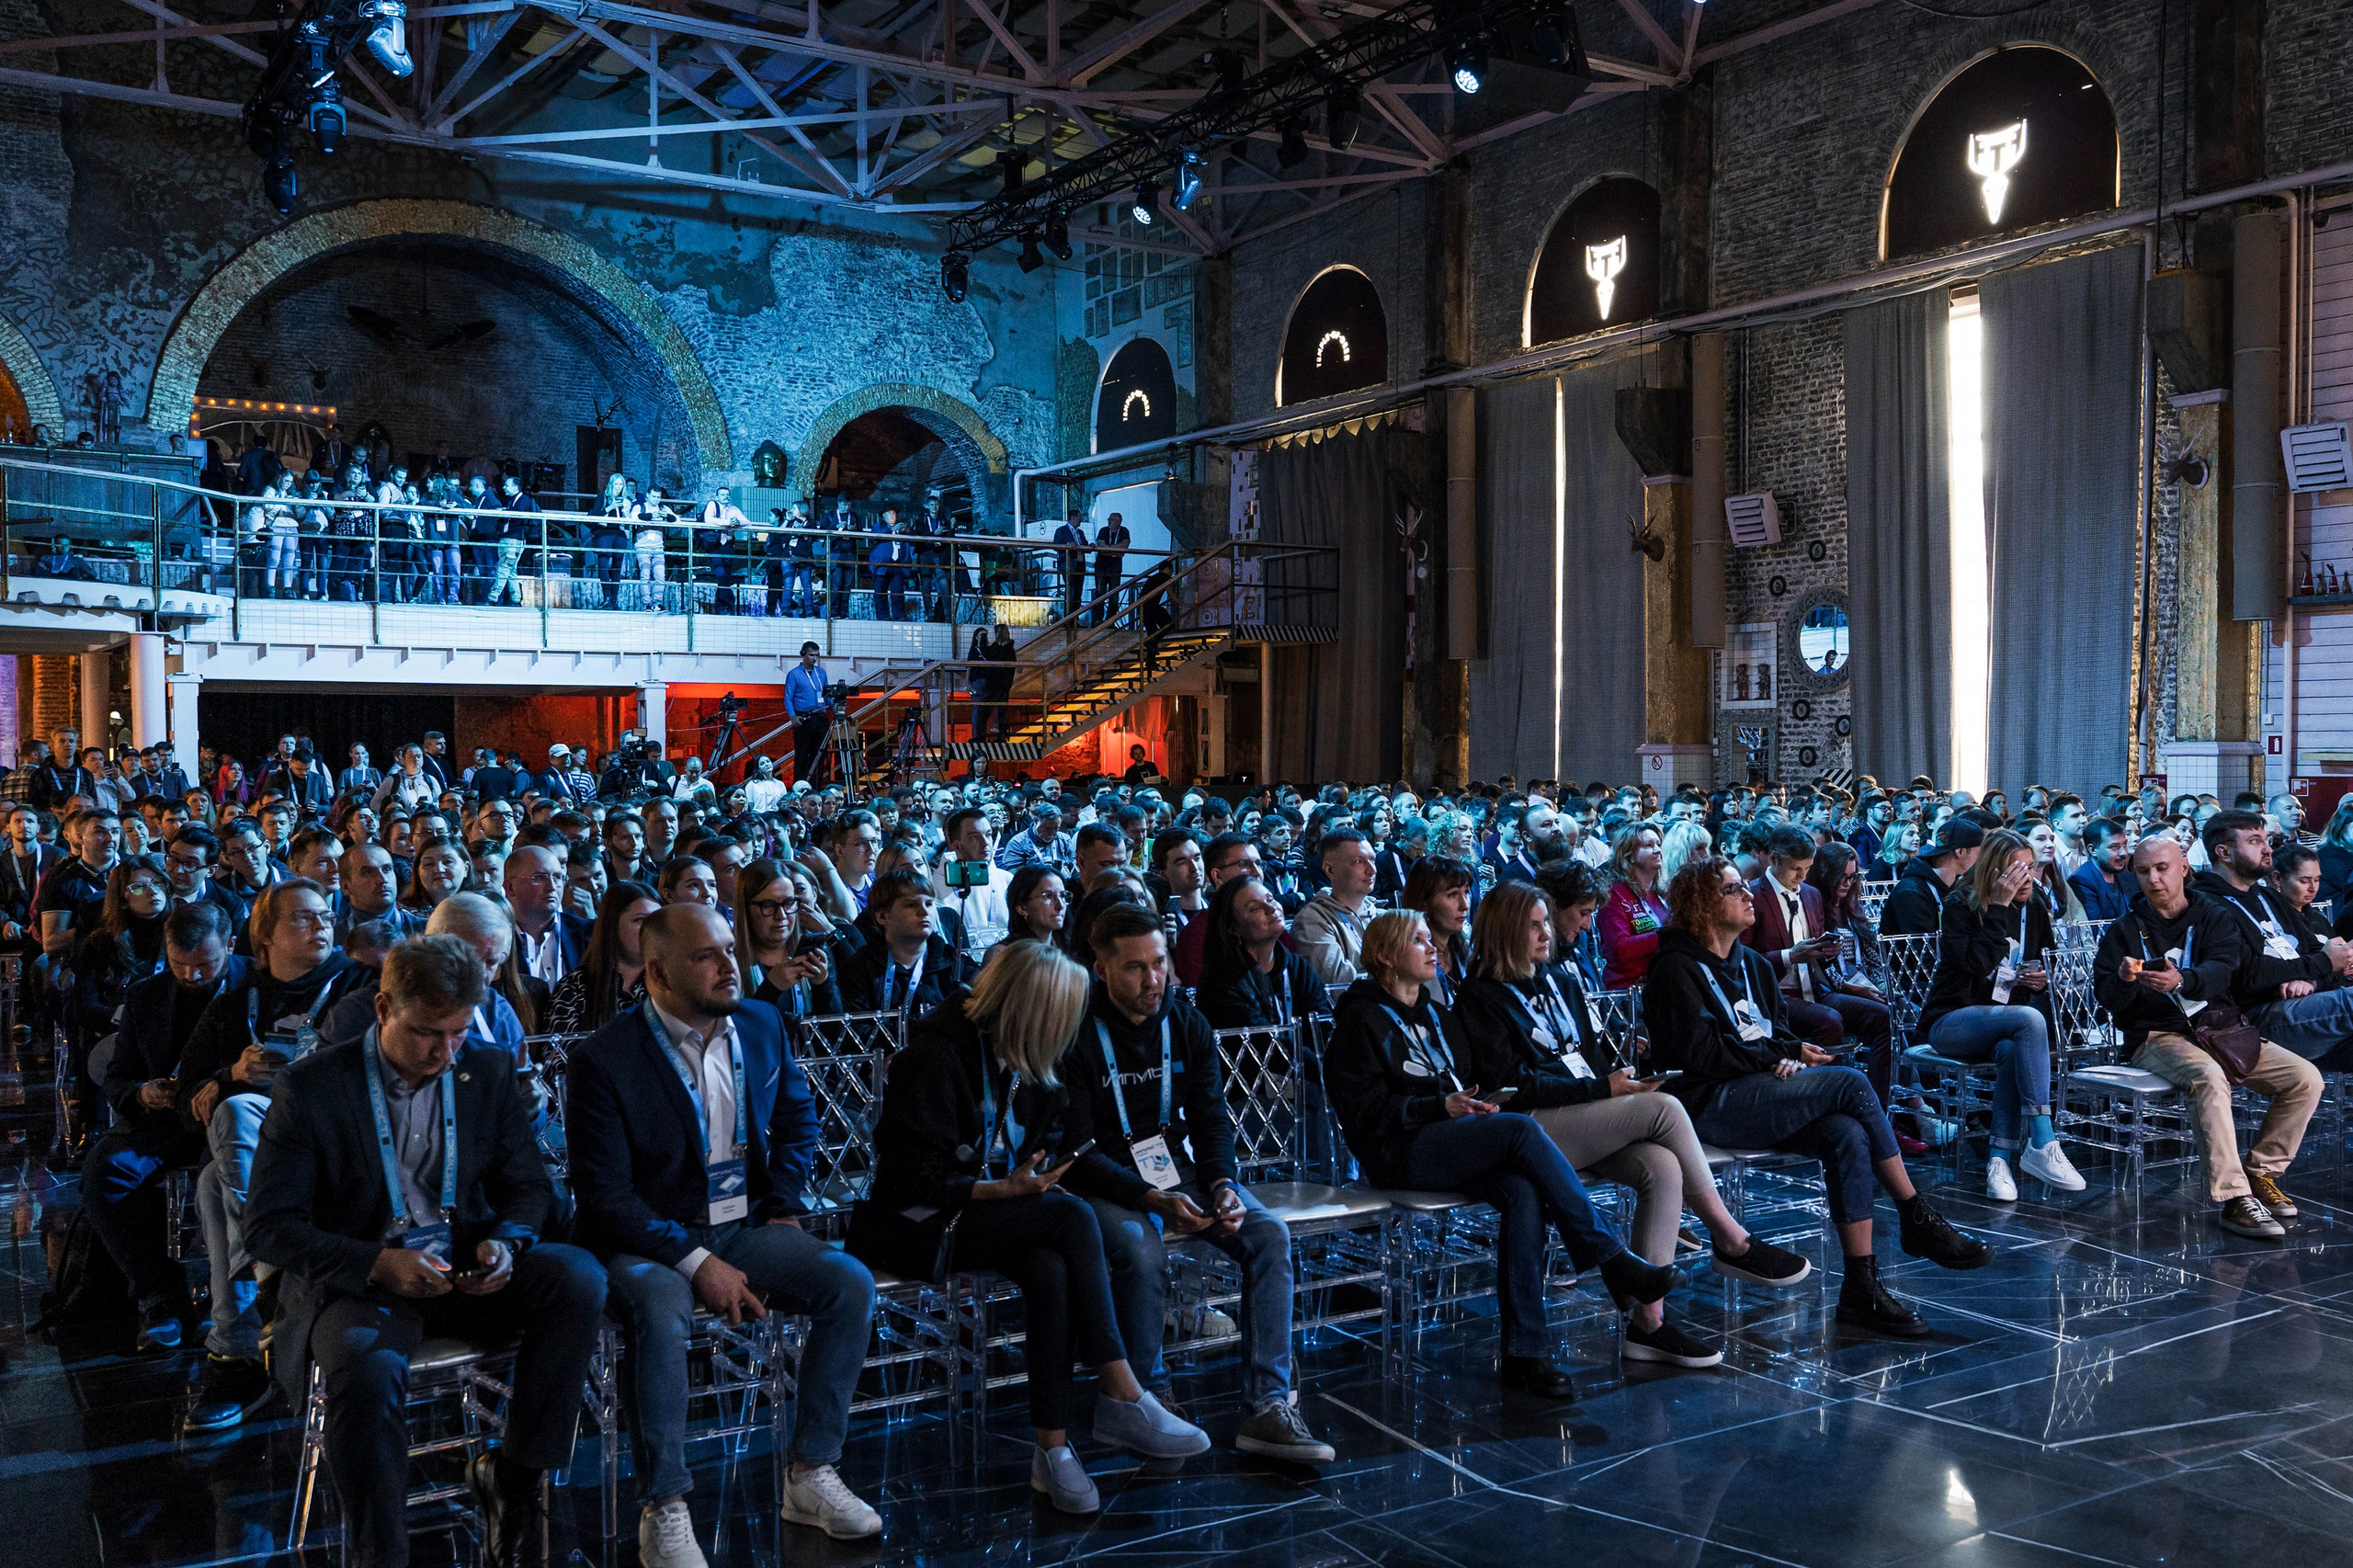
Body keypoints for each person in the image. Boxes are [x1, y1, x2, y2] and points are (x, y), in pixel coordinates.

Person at [243, 936, 608, 1568]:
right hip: (364, 1281)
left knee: (577, 1278)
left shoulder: (484, 1070)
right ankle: (379, 1553)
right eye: (426, 1033)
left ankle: (515, 1477)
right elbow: (269, 1228)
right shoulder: (314, 1087)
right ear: (383, 1008)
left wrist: (507, 1241)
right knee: (364, 1371)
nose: (444, 1051)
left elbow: (528, 1188)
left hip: (463, 1266)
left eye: (459, 1032)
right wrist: (377, 1262)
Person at [850, 939, 1211, 1515]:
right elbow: (903, 1183)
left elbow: (1057, 1135)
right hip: (920, 1222)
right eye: (1062, 1018)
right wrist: (1000, 1190)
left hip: (993, 1213)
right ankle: (1122, 1392)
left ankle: (1053, 1450)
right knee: (1071, 1216)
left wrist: (1037, 1177)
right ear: (1033, 1012)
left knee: (1050, 1268)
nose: (1070, 1034)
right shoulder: (939, 1055)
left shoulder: (1028, 1059)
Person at [566, 903, 881, 1553]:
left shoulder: (762, 1023)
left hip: (743, 1224)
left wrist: (785, 1202)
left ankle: (811, 1470)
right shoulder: (606, 1058)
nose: (727, 966)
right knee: (660, 1305)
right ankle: (666, 1505)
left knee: (847, 1282)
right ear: (656, 972)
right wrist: (694, 1259)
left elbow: (799, 1120)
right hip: (647, 1237)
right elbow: (605, 1198)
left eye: (727, 951)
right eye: (706, 957)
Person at [1323, 910, 1681, 1395]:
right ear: (1385, 956)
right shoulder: (1359, 1019)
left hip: (1453, 1138)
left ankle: (1524, 1354)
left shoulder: (1433, 1011)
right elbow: (1362, 1114)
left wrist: (1478, 1101)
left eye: (1432, 939)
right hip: (1399, 1153)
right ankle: (1608, 1256)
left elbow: (1468, 1079)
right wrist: (1438, 1106)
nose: (1433, 948)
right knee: (1518, 1132)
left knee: (1522, 1192)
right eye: (1418, 941)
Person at [1456, 881, 1811, 1367]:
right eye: (1533, 926)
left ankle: (1649, 1326)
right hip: (1527, 1128)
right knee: (1664, 1109)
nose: (1546, 935)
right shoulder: (1481, 995)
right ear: (1503, 932)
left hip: (1584, 1114)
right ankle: (1730, 1238)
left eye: (1545, 923)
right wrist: (1603, 1091)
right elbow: (1510, 1083)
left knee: (1663, 1166)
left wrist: (1619, 1079)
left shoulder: (1560, 978)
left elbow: (1593, 1054)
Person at [1641, 857, 1990, 1336]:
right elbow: (1700, 1055)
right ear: (1702, 904)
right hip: (1705, 1103)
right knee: (1849, 1081)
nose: (1747, 895)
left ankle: (1861, 1287)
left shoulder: (1752, 966)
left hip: (1760, 1090)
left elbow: (1776, 1033)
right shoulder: (1674, 968)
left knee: (1845, 1132)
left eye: (1744, 887)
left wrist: (1784, 1056)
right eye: (1733, 889)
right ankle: (1915, 1213)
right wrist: (1772, 1056)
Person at [1052, 903, 1334, 1460]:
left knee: (1267, 1235)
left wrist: (1224, 1182)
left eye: (1159, 963)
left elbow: (1211, 1118)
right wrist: (1150, 1196)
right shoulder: (1076, 1030)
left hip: (1172, 1166)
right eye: (1135, 968)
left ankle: (1268, 1406)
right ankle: (1144, 1398)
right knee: (1140, 1245)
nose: (1153, 979)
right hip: (1101, 1177)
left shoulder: (1185, 1021)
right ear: (1102, 969)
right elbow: (1074, 1151)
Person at [2093, 837, 2322, 1239]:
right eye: (2144, 871)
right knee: (2209, 1079)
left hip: (2220, 1028)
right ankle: (2234, 1199)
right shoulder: (2125, 930)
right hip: (2157, 1036)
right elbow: (2110, 1002)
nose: (2154, 879)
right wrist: (2126, 979)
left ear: (2184, 867)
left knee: (2305, 1079)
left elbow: (2223, 970)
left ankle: (2260, 1173)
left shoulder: (2213, 915)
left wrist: (2183, 979)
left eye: (2162, 868)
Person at [83, 902, 244, 1355]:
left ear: (230, 946)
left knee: (227, 1173)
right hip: (167, 1119)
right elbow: (118, 1075)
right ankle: (161, 1298)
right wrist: (141, 1092)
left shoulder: (254, 986)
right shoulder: (147, 995)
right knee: (106, 1169)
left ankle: (233, 1297)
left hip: (229, 1116)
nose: (191, 976)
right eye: (179, 965)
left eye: (204, 966)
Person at [1915, 829, 2086, 1199]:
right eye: (2015, 871)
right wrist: (1998, 907)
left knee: (2013, 1047)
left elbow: (2046, 961)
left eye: (2029, 868)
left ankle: (1999, 1161)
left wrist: (2042, 978)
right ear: (1994, 871)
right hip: (1951, 1021)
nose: (2025, 878)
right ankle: (2043, 1139)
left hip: (2005, 1022)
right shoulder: (1961, 904)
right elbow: (1977, 966)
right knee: (2028, 1020)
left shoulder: (2036, 906)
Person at [2194, 810, 2353, 1063]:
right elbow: (2247, 975)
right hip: (2254, 1018)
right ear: (2224, 853)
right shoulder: (2206, 905)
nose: (2268, 849)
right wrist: (2321, 965)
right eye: (2255, 841)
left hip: (2309, 1000)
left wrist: (2312, 981)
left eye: (2267, 840)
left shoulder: (2269, 897)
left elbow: (2317, 951)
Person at [1193, 872, 1332, 1028]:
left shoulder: (1297, 968)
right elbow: (1262, 1042)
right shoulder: (1220, 984)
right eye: (1254, 908)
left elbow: (1323, 1025)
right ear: (1232, 928)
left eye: (1270, 899)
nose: (1271, 908)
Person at [835, 869, 972, 1014]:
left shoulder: (955, 963)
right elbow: (858, 1031)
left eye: (929, 903)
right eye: (911, 905)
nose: (924, 912)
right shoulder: (858, 969)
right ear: (882, 916)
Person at [1295, 827, 1376, 986]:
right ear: (1330, 870)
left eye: (1372, 860)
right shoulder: (1312, 921)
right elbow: (1338, 987)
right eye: (1359, 862)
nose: (1371, 870)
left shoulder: (1381, 915)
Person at [1878, 819, 1984, 936]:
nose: (1981, 860)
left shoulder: (1953, 885)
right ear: (1960, 852)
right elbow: (1923, 950)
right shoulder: (1911, 893)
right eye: (1979, 854)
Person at [1597, 824, 1671, 990]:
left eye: (1658, 844)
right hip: (1630, 989)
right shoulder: (1614, 894)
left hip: (1663, 980)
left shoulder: (1661, 892)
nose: (1658, 850)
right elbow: (1619, 948)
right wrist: (1667, 936)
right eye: (1649, 845)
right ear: (1629, 855)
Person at [931, 807, 1014, 955]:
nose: (985, 843)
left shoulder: (1007, 880)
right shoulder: (934, 887)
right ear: (956, 845)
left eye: (988, 835)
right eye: (974, 837)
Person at [1405, 855, 1475, 1008]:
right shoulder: (1406, 960)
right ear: (1424, 901)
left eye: (1467, 892)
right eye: (1452, 895)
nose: (1465, 906)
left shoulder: (1468, 949)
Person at [2068, 816, 2135, 922]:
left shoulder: (2128, 877)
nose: (2124, 853)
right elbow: (2097, 930)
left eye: (2124, 845)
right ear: (2093, 850)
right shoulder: (2081, 882)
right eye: (2114, 847)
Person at [1001, 864, 1069, 951]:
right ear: (1022, 908)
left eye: (1063, 895)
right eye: (1048, 896)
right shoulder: (1002, 954)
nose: (1060, 906)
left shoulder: (1069, 950)